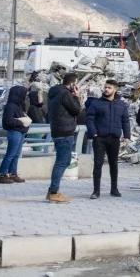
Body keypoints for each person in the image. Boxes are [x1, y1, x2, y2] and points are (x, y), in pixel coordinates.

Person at [86, 79, 130, 199]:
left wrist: (126, 136)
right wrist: (94, 133)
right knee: (98, 164)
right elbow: (89, 118)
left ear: (115, 89)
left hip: (114, 138)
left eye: (109, 88)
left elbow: (125, 120)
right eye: (105, 87)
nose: (106, 89)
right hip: (99, 138)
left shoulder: (121, 104)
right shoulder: (96, 103)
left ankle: (114, 189)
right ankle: (96, 191)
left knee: (113, 164)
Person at [45, 73, 83, 203]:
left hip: (56, 129)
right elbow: (77, 110)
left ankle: (53, 191)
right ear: (73, 84)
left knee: (63, 161)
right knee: (62, 162)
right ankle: (53, 192)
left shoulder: (54, 92)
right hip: (65, 130)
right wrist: (77, 97)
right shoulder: (65, 94)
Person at [0, 84, 31, 183]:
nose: (25, 97)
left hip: (21, 132)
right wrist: (21, 122)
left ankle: (13, 173)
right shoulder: (10, 106)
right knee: (11, 154)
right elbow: (7, 121)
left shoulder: (19, 105)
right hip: (15, 132)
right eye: (24, 94)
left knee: (16, 154)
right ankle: (3, 174)